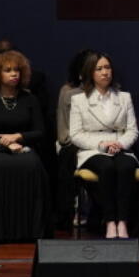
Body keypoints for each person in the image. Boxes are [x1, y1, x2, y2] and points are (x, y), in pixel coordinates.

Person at [0, 50, 51, 242]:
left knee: (32, 164)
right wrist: (2, 142)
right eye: (8, 70)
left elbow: (40, 132)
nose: (14, 74)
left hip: (23, 147)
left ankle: (28, 230)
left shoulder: (30, 99)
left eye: (17, 70)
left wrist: (17, 137)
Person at [69, 52, 139, 239]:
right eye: (99, 69)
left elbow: (132, 130)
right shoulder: (79, 100)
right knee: (107, 167)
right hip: (92, 149)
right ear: (90, 73)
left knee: (126, 166)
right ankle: (109, 221)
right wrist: (102, 145)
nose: (104, 72)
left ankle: (122, 221)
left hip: (119, 146)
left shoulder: (124, 97)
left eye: (107, 67)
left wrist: (119, 143)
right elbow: (75, 134)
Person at [55, 48, 95, 229]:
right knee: (68, 156)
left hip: (100, 142)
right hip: (73, 141)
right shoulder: (68, 91)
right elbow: (63, 129)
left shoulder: (111, 91)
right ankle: (70, 211)